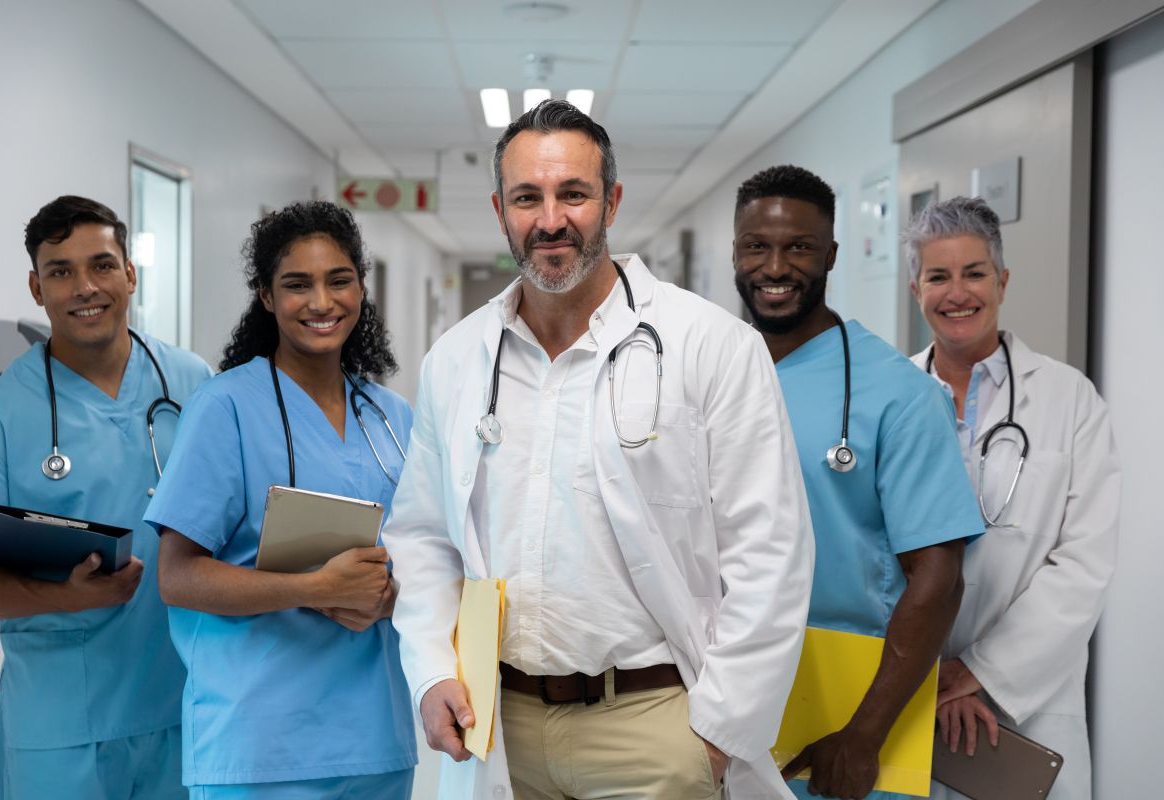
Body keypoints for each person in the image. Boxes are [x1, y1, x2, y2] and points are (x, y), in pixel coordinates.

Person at [384, 99, 814, 800]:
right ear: (501, 210)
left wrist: (715, 733)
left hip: (655, 722)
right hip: (500, 726)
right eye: (528, 197)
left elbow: (770, 549)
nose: (550, 219)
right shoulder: (457, 360)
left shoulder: (710, 345)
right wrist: (433, 671)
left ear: (611, 200)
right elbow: (424, 537)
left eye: (573, 194)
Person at [143, 201, 417, 799]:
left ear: (361, 288)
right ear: (266, 297)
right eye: (297, 284)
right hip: (260, 744)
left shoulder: (392, 418)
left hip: (376, 741)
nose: (322, 302)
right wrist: (313, 588)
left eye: (339, 280)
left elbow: (423, 558)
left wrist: (392, 593)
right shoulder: (225, 408)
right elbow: (177, 576)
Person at [732, 166, 985, 800]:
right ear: (735, 252)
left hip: (849, 706)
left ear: (832, 255)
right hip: (726, 699)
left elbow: (938, 577)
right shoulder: (710, 372)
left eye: (799, 247)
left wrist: (864, 733)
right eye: (756, 246)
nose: (775, 267)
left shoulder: (897, 393)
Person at [0, 195, 211, 799]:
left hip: (187, 706)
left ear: (130, 272)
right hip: (61, 721)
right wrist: (62, 596)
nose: (84, 287)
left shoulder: (194, 383)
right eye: (60, 271)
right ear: (35, 286)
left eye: (101, 265)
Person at [906, 196, 1119, 800]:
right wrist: (928, 677)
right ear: (916, 286)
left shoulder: (1069, 400)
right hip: (911, 697)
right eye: (938, 276)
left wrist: (979, 674)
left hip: (1026, 703)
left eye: (974, 273)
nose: (957, 293)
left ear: (1001, 281)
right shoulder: (892, 396)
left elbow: (1083, 564)